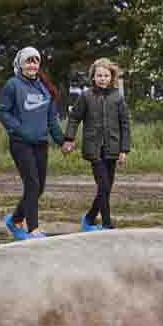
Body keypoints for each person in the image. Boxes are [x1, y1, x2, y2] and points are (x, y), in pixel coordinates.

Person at [0, 46, 63, 240]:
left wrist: (62, 140)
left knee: (39, 187)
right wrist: (20, 129)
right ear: (20, 64)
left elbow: (52, 120)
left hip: (41, 143)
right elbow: (3, 112)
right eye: (28, 61)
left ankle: (15, 219)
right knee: (32, 184)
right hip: (20, 143)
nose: (32, 65)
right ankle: (32, 229)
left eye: (35, 61)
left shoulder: (45, 88)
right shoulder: (13, 85)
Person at [61, 58, 131, 231]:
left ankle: (89, 219)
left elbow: (125, 124)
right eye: (99, 75)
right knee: (104, 187)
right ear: (93, 77)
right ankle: (107, 224)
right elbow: (74, 118)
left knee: (105, 189)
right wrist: (69, 138)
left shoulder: (118, 97)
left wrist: (124, 149)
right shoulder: (86, 96)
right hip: (94, 150)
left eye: (106, 75)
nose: (102, 78)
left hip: (112, 149)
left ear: (111, 76)